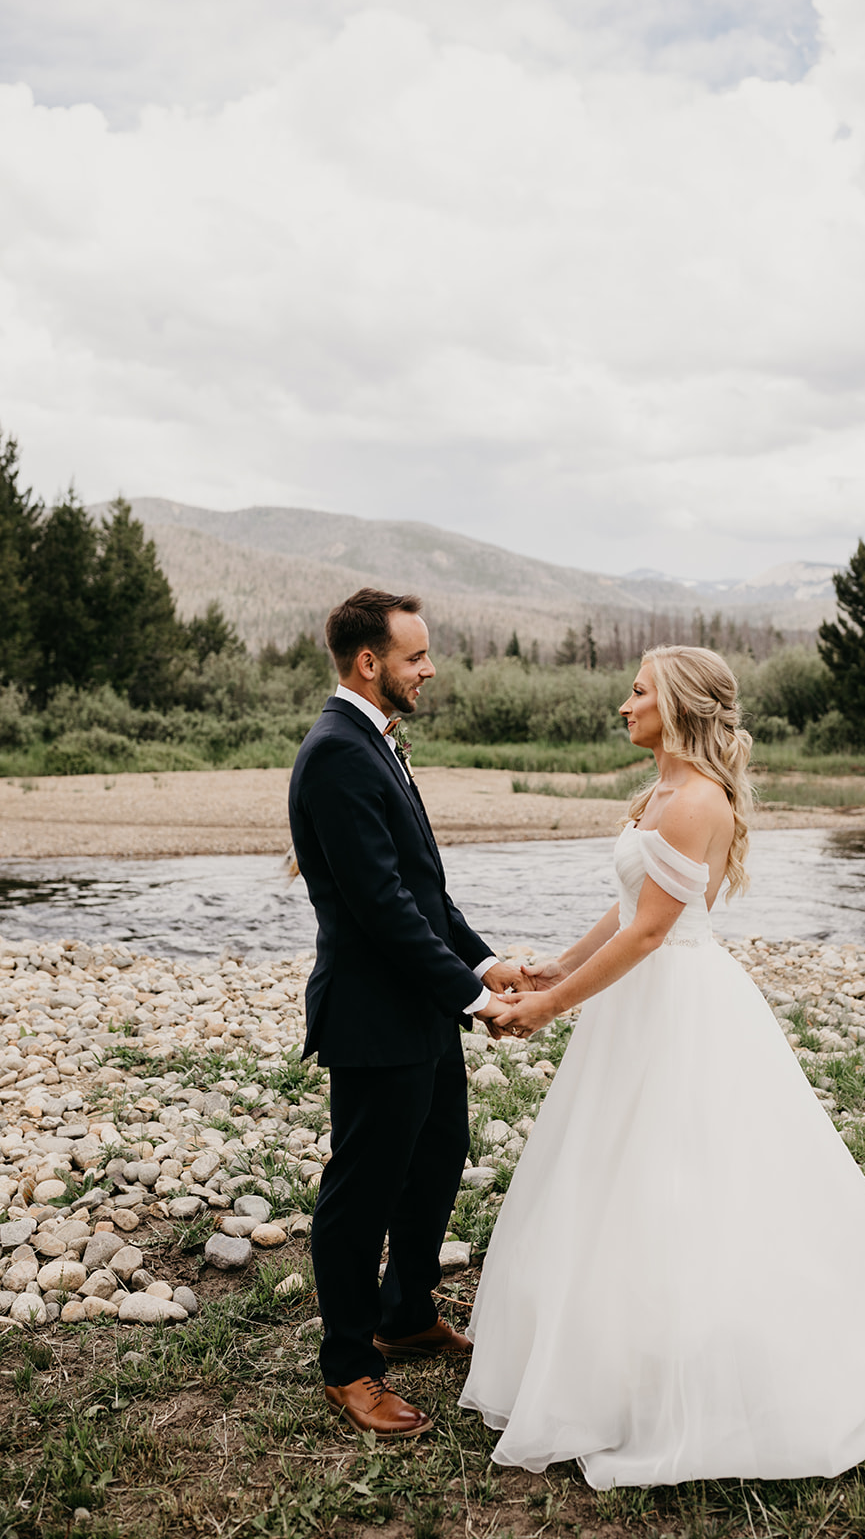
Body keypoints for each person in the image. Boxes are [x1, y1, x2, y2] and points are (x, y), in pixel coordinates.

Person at [460, 644, 865, 1488]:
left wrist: (550, 1006)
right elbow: (627, 905)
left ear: (680, 707)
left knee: (682, 1169)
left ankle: (691, 1361)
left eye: (637, 692)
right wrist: (557, 964)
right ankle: (619, 1341)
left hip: (678, 1001)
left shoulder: (697, 800)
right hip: (638, 997)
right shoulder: (657, 791)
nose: (622, 704)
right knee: (615, 1168)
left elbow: (653, 932)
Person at [288, 588, 527, 1440]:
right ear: (368, 662)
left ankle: (406, 1310)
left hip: (421, 1005)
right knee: (360, 1193)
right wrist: (473, 997)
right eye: (415, 657)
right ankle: (349, 1366)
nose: (428, 670)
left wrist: (488, 961)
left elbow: (426, 892)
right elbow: (382, 907)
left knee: (434, 1162)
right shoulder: (337, 753)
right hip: (372, 1014)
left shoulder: (377, 744)